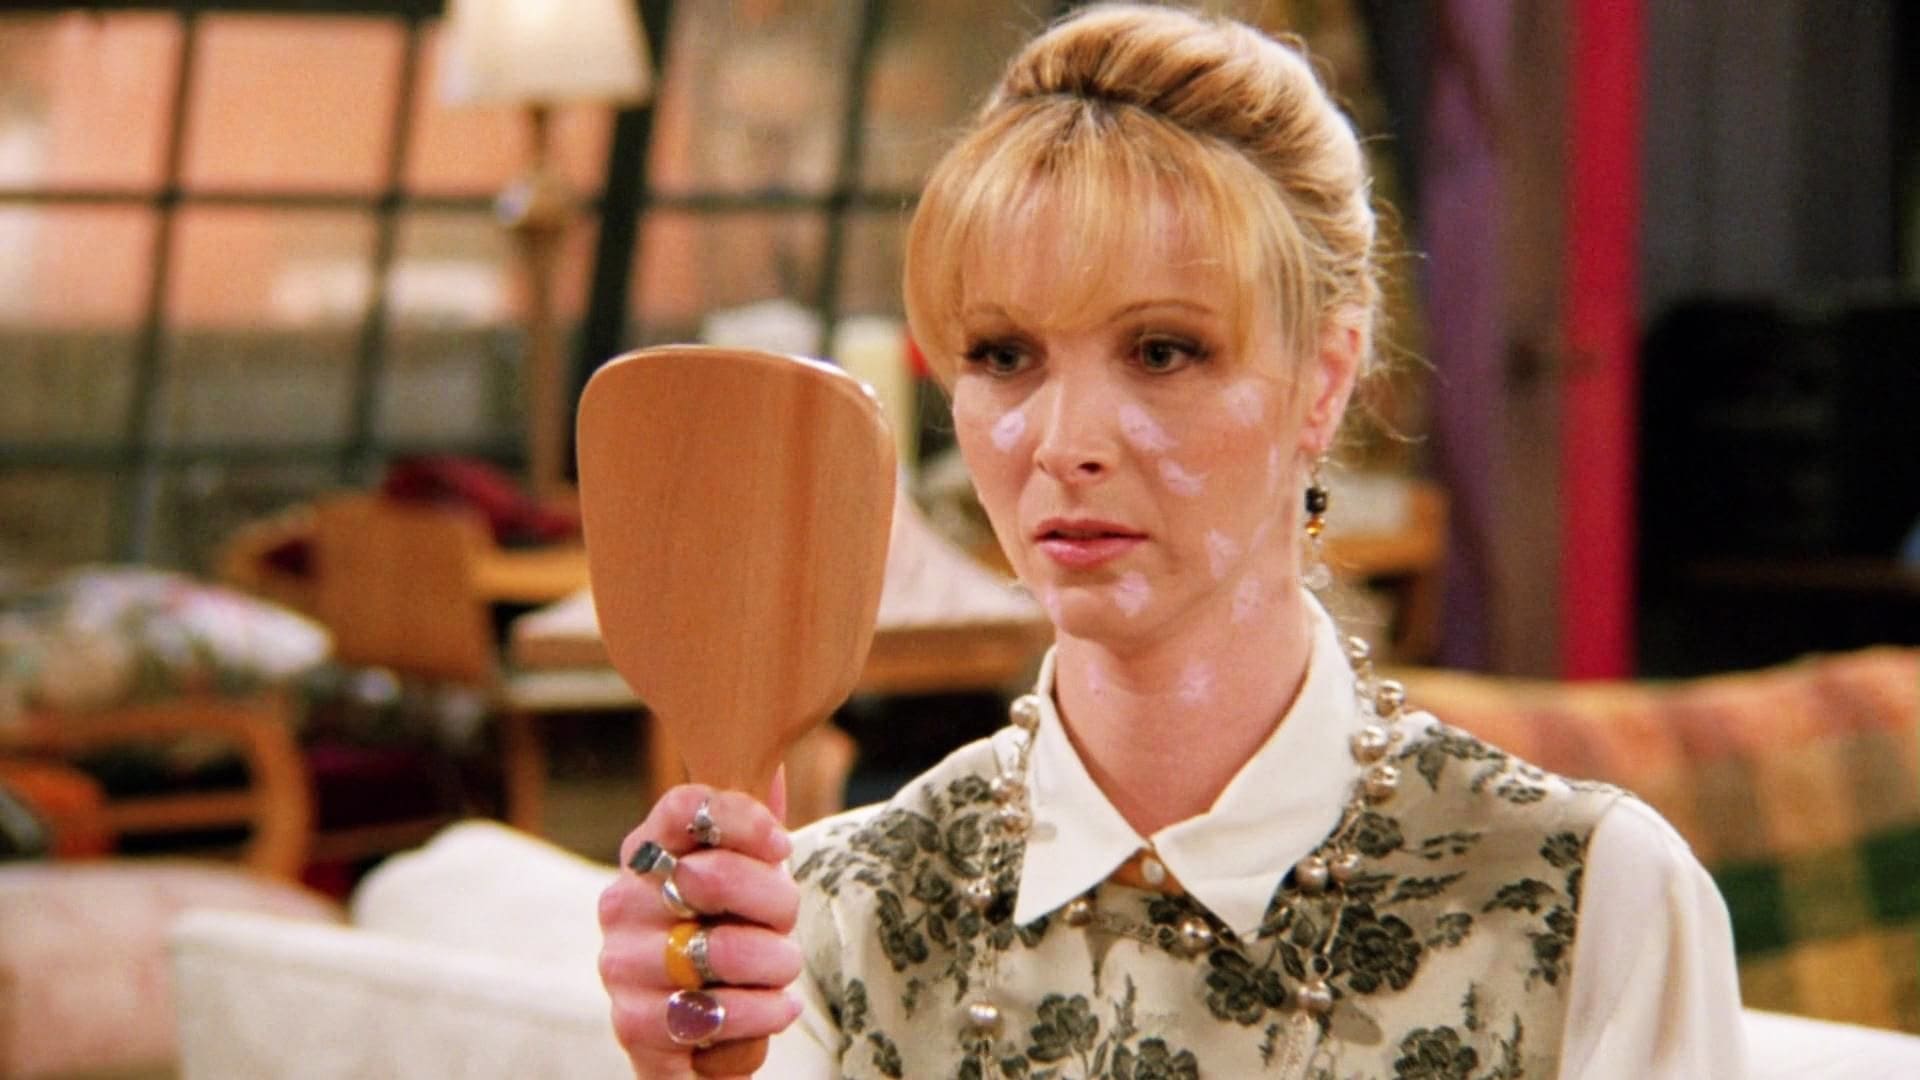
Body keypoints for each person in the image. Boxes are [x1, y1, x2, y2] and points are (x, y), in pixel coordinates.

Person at [597, 5, 1747, 1077]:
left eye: (1161, 352)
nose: (1065, 445)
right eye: (1004, 355)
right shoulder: (828, 922)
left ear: (1325, 381)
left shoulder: (1586, 903)